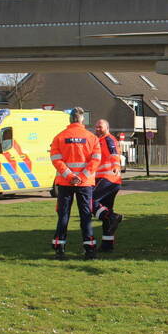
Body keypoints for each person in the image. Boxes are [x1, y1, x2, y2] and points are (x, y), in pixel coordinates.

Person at [49, 107, 101, 259]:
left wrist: (70, 176)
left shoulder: (59, 137)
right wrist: (82, 176)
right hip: (85, 184)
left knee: (63, 215)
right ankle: (89, 249)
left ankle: (60, 247)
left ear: (70, 119)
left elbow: (55, 159)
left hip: (65, 183)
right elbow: (96, 160)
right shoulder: (92, 138)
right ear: (82, 119)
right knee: (85, 215)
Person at [91, 119, 124, 252]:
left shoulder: (108, 139)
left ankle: (112, 217)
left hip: (108, 178)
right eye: (96, 127)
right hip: (111, 180)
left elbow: (114, 154)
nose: (97, 128)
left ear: (107, 127)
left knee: (89, 201)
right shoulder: (99, 140)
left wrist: (116, 166)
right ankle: (107, 244)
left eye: (100, 127)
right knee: (106, 210)